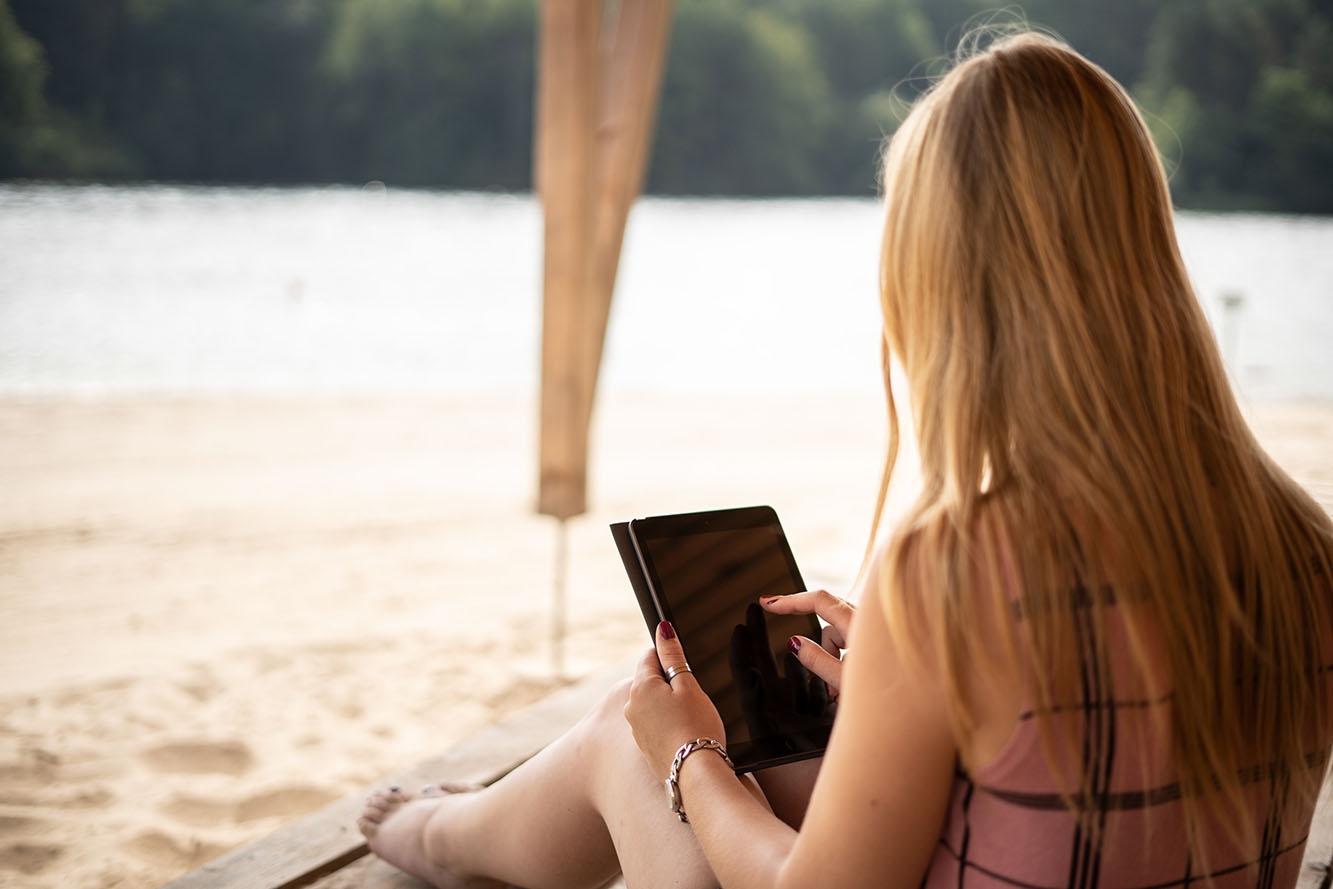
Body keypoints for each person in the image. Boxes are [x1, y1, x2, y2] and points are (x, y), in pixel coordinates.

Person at [357, 28, 1333, 889]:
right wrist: (907, 681)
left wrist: (689, 754)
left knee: (640, 726)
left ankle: (440, 836)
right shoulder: (1302, 542)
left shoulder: (957, 571)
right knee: (722, 719)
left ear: (940, 281)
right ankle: (448, 827)